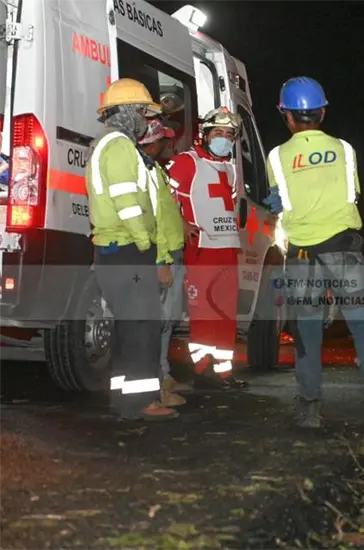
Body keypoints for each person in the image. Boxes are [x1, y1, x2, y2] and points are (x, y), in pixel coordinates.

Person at [263, 76, 364, 432]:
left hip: (302, 256)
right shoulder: (345, 149)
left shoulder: (276, 156)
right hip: (343, 251)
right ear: (322, 112)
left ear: (286, 115)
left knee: (307, 332)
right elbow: (353, 193)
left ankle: (310, 410)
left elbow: (278, 200)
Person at [86, 78, 176, 421]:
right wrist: (146, 246)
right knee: (142, 329)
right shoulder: (120, 146)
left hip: (114, 251)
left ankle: (124, 401)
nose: (145, 120)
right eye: (142, 113)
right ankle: (140, 403)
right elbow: (128, 203)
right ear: (127, 112)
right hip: (128, 249)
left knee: (129, 329)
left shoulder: (105, 144)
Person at [167, 106, 247, 390]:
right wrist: (180, 223)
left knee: (226, 312)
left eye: (229, 134)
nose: (224, 139)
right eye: (218, 133)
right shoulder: (185, 162)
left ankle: (224, 371)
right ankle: (202, 370)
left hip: (228, 248)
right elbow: (164, 197)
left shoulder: (230, 169)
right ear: (205, 134)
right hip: (201, 248)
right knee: (203, 311)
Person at [138, 119, 190, 406]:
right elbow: (151, 220)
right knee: (157, 323)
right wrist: (161, 261)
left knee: (167, 321)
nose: (169, 145)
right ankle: (156, 386)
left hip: (171, 252)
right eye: (164, 140)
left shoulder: (155, 170)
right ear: (152, 143)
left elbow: (165, 210)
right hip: (163, 256)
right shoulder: (145, 171)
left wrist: (181, 224)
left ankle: (163, 376)